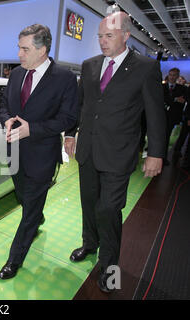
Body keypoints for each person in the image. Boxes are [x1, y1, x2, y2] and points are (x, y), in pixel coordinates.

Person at [64, 12, 166, 293]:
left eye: (108, 36)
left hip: (119, 154)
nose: (102, 42)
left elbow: (156, 114)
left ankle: (110, 270)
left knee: (109, 210)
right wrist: (71, 133)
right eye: (99, 36)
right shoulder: (89, 65)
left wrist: (155, 153)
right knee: (88, 204)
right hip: (88, 152)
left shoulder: (145, 68)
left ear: (126, 36)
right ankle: (89, 244)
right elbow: (81, 105)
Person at [0, 24, 79, 280]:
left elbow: (68, 117)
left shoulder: (64, 79)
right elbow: (3, 106)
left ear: (42, 50)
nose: (19, 54)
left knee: (29, 210)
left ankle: (14, 259)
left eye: (25, 49)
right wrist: (7, 120)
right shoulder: (15, 75)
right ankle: (37, 215)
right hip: (14, 153)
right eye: (19, 48)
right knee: (25, 198)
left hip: (42, 155)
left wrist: (33, 129)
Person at [164, 68, 187, 160]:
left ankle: (163, 157)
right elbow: (162, 98)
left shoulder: (182, 89)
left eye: (174, 75)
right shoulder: (162, 87)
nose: (172, 77)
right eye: (170, 75)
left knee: (167, 136)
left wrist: (171, 100)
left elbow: (183, 100)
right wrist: (175, 99)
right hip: (161, 115)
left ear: (177, 76)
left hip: (172, 116)